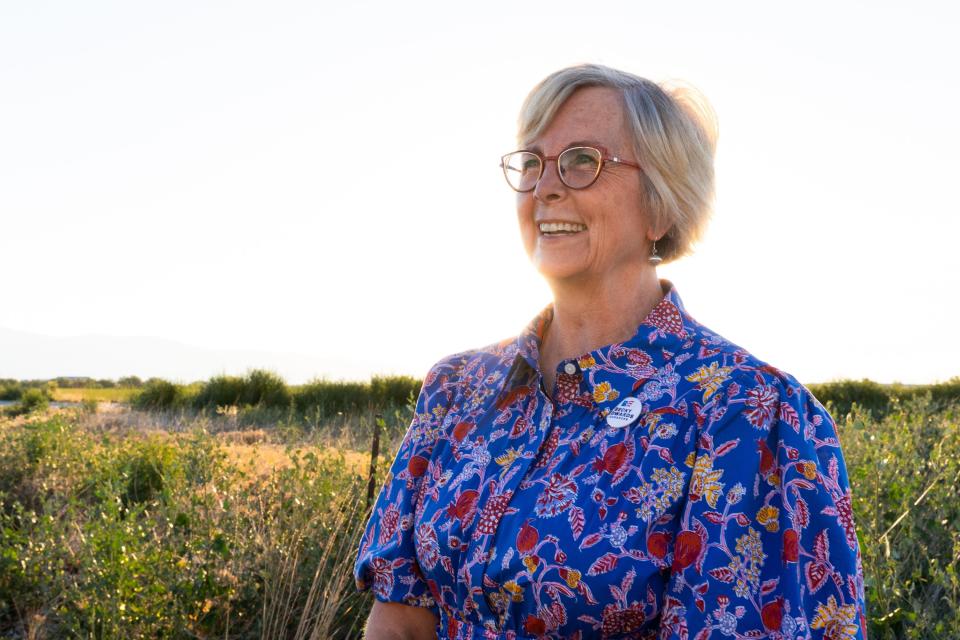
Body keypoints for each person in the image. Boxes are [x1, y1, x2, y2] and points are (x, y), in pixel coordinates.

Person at [354, 64, 866, 639]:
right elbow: (398, 617)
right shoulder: (458, 390)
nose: (545, 186)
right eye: (531, 162)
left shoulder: (746, 414)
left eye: (581, 160)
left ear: (663, 207)